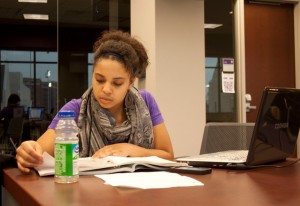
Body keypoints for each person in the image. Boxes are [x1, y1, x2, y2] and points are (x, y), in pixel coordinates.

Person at [16, 30, 174, 173]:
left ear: (130, 82)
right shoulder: (75, 110)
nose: (106, 89)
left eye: (117, 83)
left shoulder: (146, 102)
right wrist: (28, 151)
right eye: (99, 80)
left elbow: (168, 156)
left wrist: (130, 149)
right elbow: (38, 152)